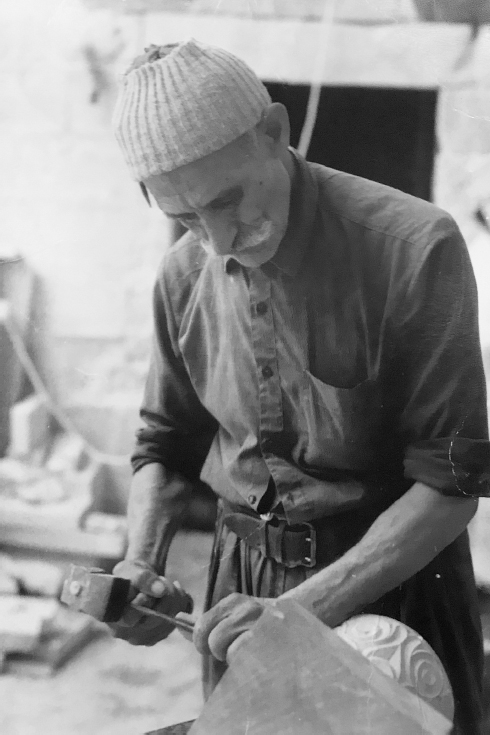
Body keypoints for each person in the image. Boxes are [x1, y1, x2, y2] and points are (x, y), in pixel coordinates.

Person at [110, 39, 490, 733]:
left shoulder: (413, 248)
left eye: (227, 200)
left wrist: (301, 613)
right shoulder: (182, 274)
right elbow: (164, 446)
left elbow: (450, 489)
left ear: (276, 132)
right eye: (187, 217)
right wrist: (140, 563)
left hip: (390, 591)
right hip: (243, 591)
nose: (218, 241)